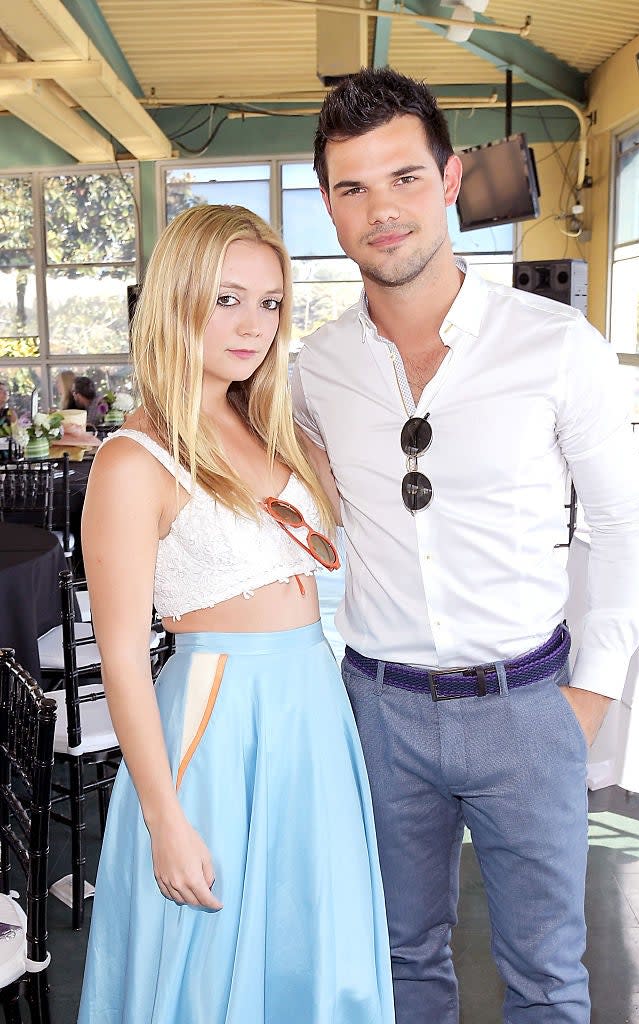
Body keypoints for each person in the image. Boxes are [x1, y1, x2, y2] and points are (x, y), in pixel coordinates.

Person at [291, 68, 639, 1024]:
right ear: (326, 204)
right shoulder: (313, 371)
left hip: (527, 703)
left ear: (450, 181)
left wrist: (587, 696)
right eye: (351, 187)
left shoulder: (556, 345)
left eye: (404, 178)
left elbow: (622, 524)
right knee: (399, 966)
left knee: (545, 982)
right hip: (378, 711)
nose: (381, 210)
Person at [77, 205, 394, 1024]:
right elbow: (119, 661)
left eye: (270, 302)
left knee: (310, 943)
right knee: (209, 967)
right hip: (217, 724)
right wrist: (162, 817)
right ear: (178, 299)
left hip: (313, 711)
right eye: (227, 299)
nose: (253, 324)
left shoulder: (275, 428)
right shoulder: (131, 458)